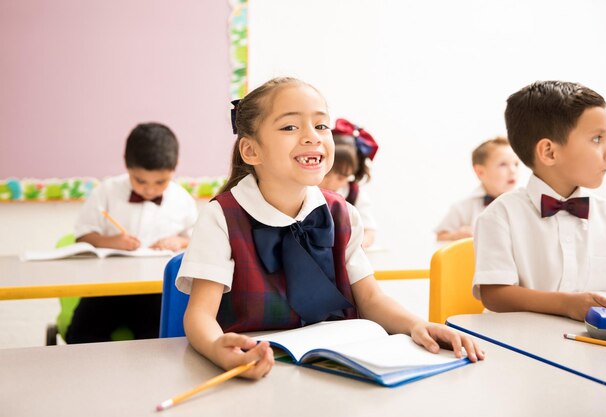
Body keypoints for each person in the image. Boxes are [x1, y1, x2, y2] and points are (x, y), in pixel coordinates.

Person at [176, 77, 484, 380]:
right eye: (290, 127)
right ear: (251, 151)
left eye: (321, 125)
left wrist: (418, 325)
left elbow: (372, 300)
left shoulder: (342, 213)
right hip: (259, 366)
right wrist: (219, 349)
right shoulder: (222, 216)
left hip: (337, 369)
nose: (313, 137)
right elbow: (200, 315)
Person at [472, 80, 606, 321]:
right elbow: (495, 295)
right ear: (549, 152)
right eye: (597, 138)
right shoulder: (500, 215)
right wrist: (566, 304)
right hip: (517, 345)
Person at [66, 122, 198, 343]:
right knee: (82, 335)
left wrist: (179, 241)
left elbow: (195, 241)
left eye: (160, 182)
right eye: (140, 181)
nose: (149, 190)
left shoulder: (182, 199)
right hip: (106, 289)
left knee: (158, 341)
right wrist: (111, 241)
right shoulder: (107, 191)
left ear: (176, 166)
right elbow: (83, 237)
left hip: (156, 291)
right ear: (127, 165)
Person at [435, 137, 519, 241]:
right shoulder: (464, 207)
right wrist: (455, 236)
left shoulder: (524, 203)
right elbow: (440, 236)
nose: (513, 170)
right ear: (480, 172)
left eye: (516, 164)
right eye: (503, 165)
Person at [319, 118, 378, 248]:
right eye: (326, 174)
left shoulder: (355, 194)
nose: (331, 183)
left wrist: (355, 247)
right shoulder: (306, 190)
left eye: (341, 177)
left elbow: (369, 231)